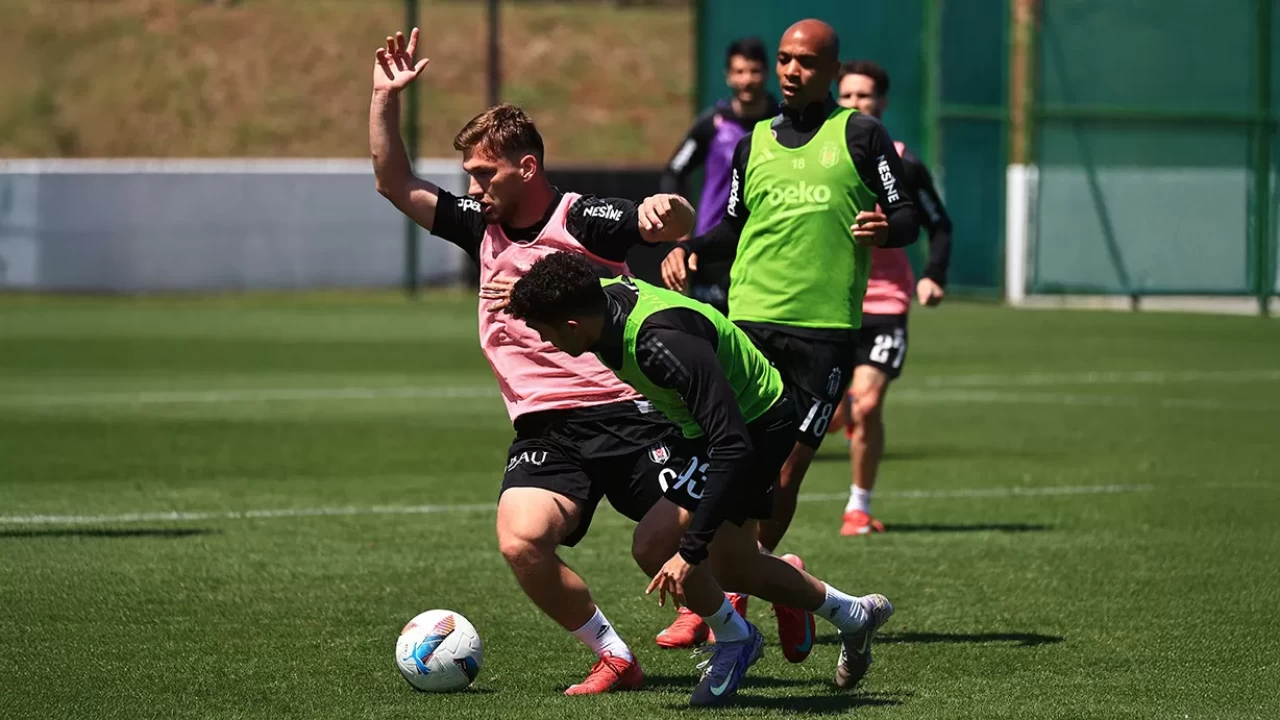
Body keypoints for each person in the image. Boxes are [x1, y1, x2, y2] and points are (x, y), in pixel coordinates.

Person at [369, 28, 696, 695]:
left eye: (484, 173)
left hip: (629, 411)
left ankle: (775, 581)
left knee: (671, 549)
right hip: (546, 428)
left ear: (525, 167)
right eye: (469, 174)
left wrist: (668, 211)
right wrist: (384, 99)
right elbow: (394, 181)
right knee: (521, 542)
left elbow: (667, 221)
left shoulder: (584, 219)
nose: (473, 186)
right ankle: (615, 657)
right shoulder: (479, 223)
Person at [506, 252, 895, 706]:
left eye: (544, 331)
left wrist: (690, 551)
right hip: (710, 430)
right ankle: (855, 614)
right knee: (736, 568)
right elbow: (582, 273)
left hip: (755, 428)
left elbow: (732, 444)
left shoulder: (659, 344)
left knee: (654, 544)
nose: (543, 341)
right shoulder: (597, 302)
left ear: (572, 326)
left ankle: (735, 639)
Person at [659, 19, 919, 658]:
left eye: (804, 61)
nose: (790, 71)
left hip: (824, 332)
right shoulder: (753, 143)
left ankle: (747, 583)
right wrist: (691, 249)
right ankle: (726, 593)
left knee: (784, 472)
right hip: (749, 323)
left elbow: (908, 216)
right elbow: (731, 228)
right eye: (783, 59)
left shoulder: (860, 134)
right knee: (725, 456)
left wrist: (886, 229)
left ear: (832, 71)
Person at [831, 60, 955, 535]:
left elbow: (939, 224)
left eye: (864, 96)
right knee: (829, 414)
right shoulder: (823, 157)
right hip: (829, 303)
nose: (855, 104)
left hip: (885, 304)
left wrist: (933, 275)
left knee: (866, 405)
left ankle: (858, 507)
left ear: (881, 102)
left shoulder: (903, 162)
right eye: (847, 96)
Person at [658, 37, 775, 317]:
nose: (747, 80)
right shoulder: (711, 125)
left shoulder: (783, 123)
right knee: (711, 333)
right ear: (728, 76)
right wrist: (681, 230)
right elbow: (674, 172)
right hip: (712, 249)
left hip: (766, 248)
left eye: (754, 71)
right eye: (739, 71)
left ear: (767, 73)